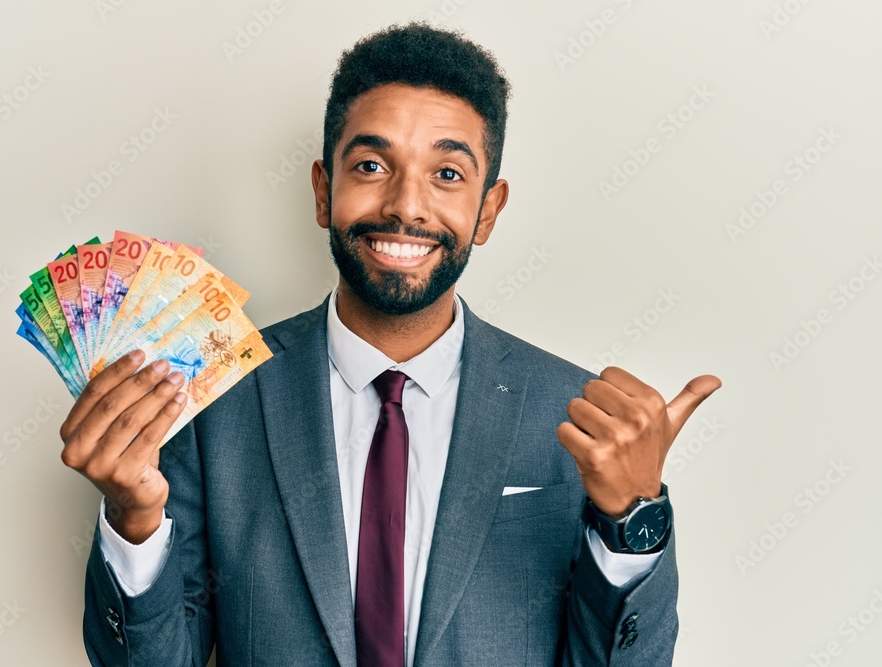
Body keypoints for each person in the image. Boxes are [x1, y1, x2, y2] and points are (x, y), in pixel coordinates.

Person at [60, 22, 720, 666]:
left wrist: (636, 521)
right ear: (324, 191)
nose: (406, 205)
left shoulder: (576, 416)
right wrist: (133, 520)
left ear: (488, 211)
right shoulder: (213, 399)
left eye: (448, 174)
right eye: (372, 165)